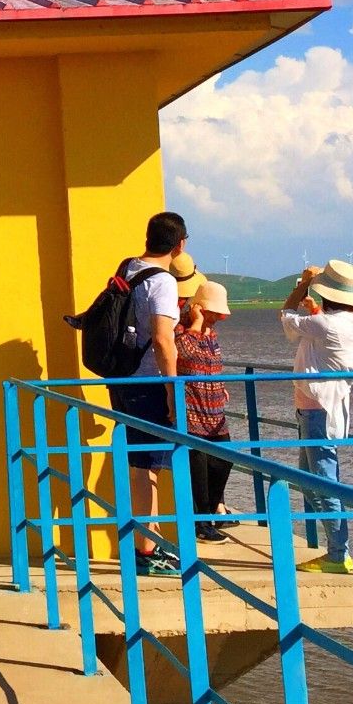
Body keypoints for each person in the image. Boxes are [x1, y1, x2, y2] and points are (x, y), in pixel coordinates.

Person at [110, 212, 188, 577]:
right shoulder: (163, 282)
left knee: (140, 465)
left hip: (122, 379)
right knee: (149, 467)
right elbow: (162, 339)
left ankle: (149, 539)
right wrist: (173, 390)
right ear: (179, 245)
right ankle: (147, 551)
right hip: (147, 383)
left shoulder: (128, 268)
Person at [281, 260, 353, 574]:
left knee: (323, 483)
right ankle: (337, 547)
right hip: (323, 409)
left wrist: (302, 284)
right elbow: (329, 342)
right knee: (310, 482)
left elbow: (286, 316)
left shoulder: (327, 325)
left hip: (316, 411)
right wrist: (316, 310)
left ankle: (337, 553)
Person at [177, 278, 236, 537]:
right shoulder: (181, 330)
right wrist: (197, 324)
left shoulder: (212, 335)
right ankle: (201, 524)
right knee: (198, 468)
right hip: (192, 408)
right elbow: (185, 354)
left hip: (214, 408)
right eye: (211, 313)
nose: (216, 318)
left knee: (223, 460)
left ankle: (212, 511)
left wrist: (220, 385)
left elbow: (214, 363)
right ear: (199, 308)